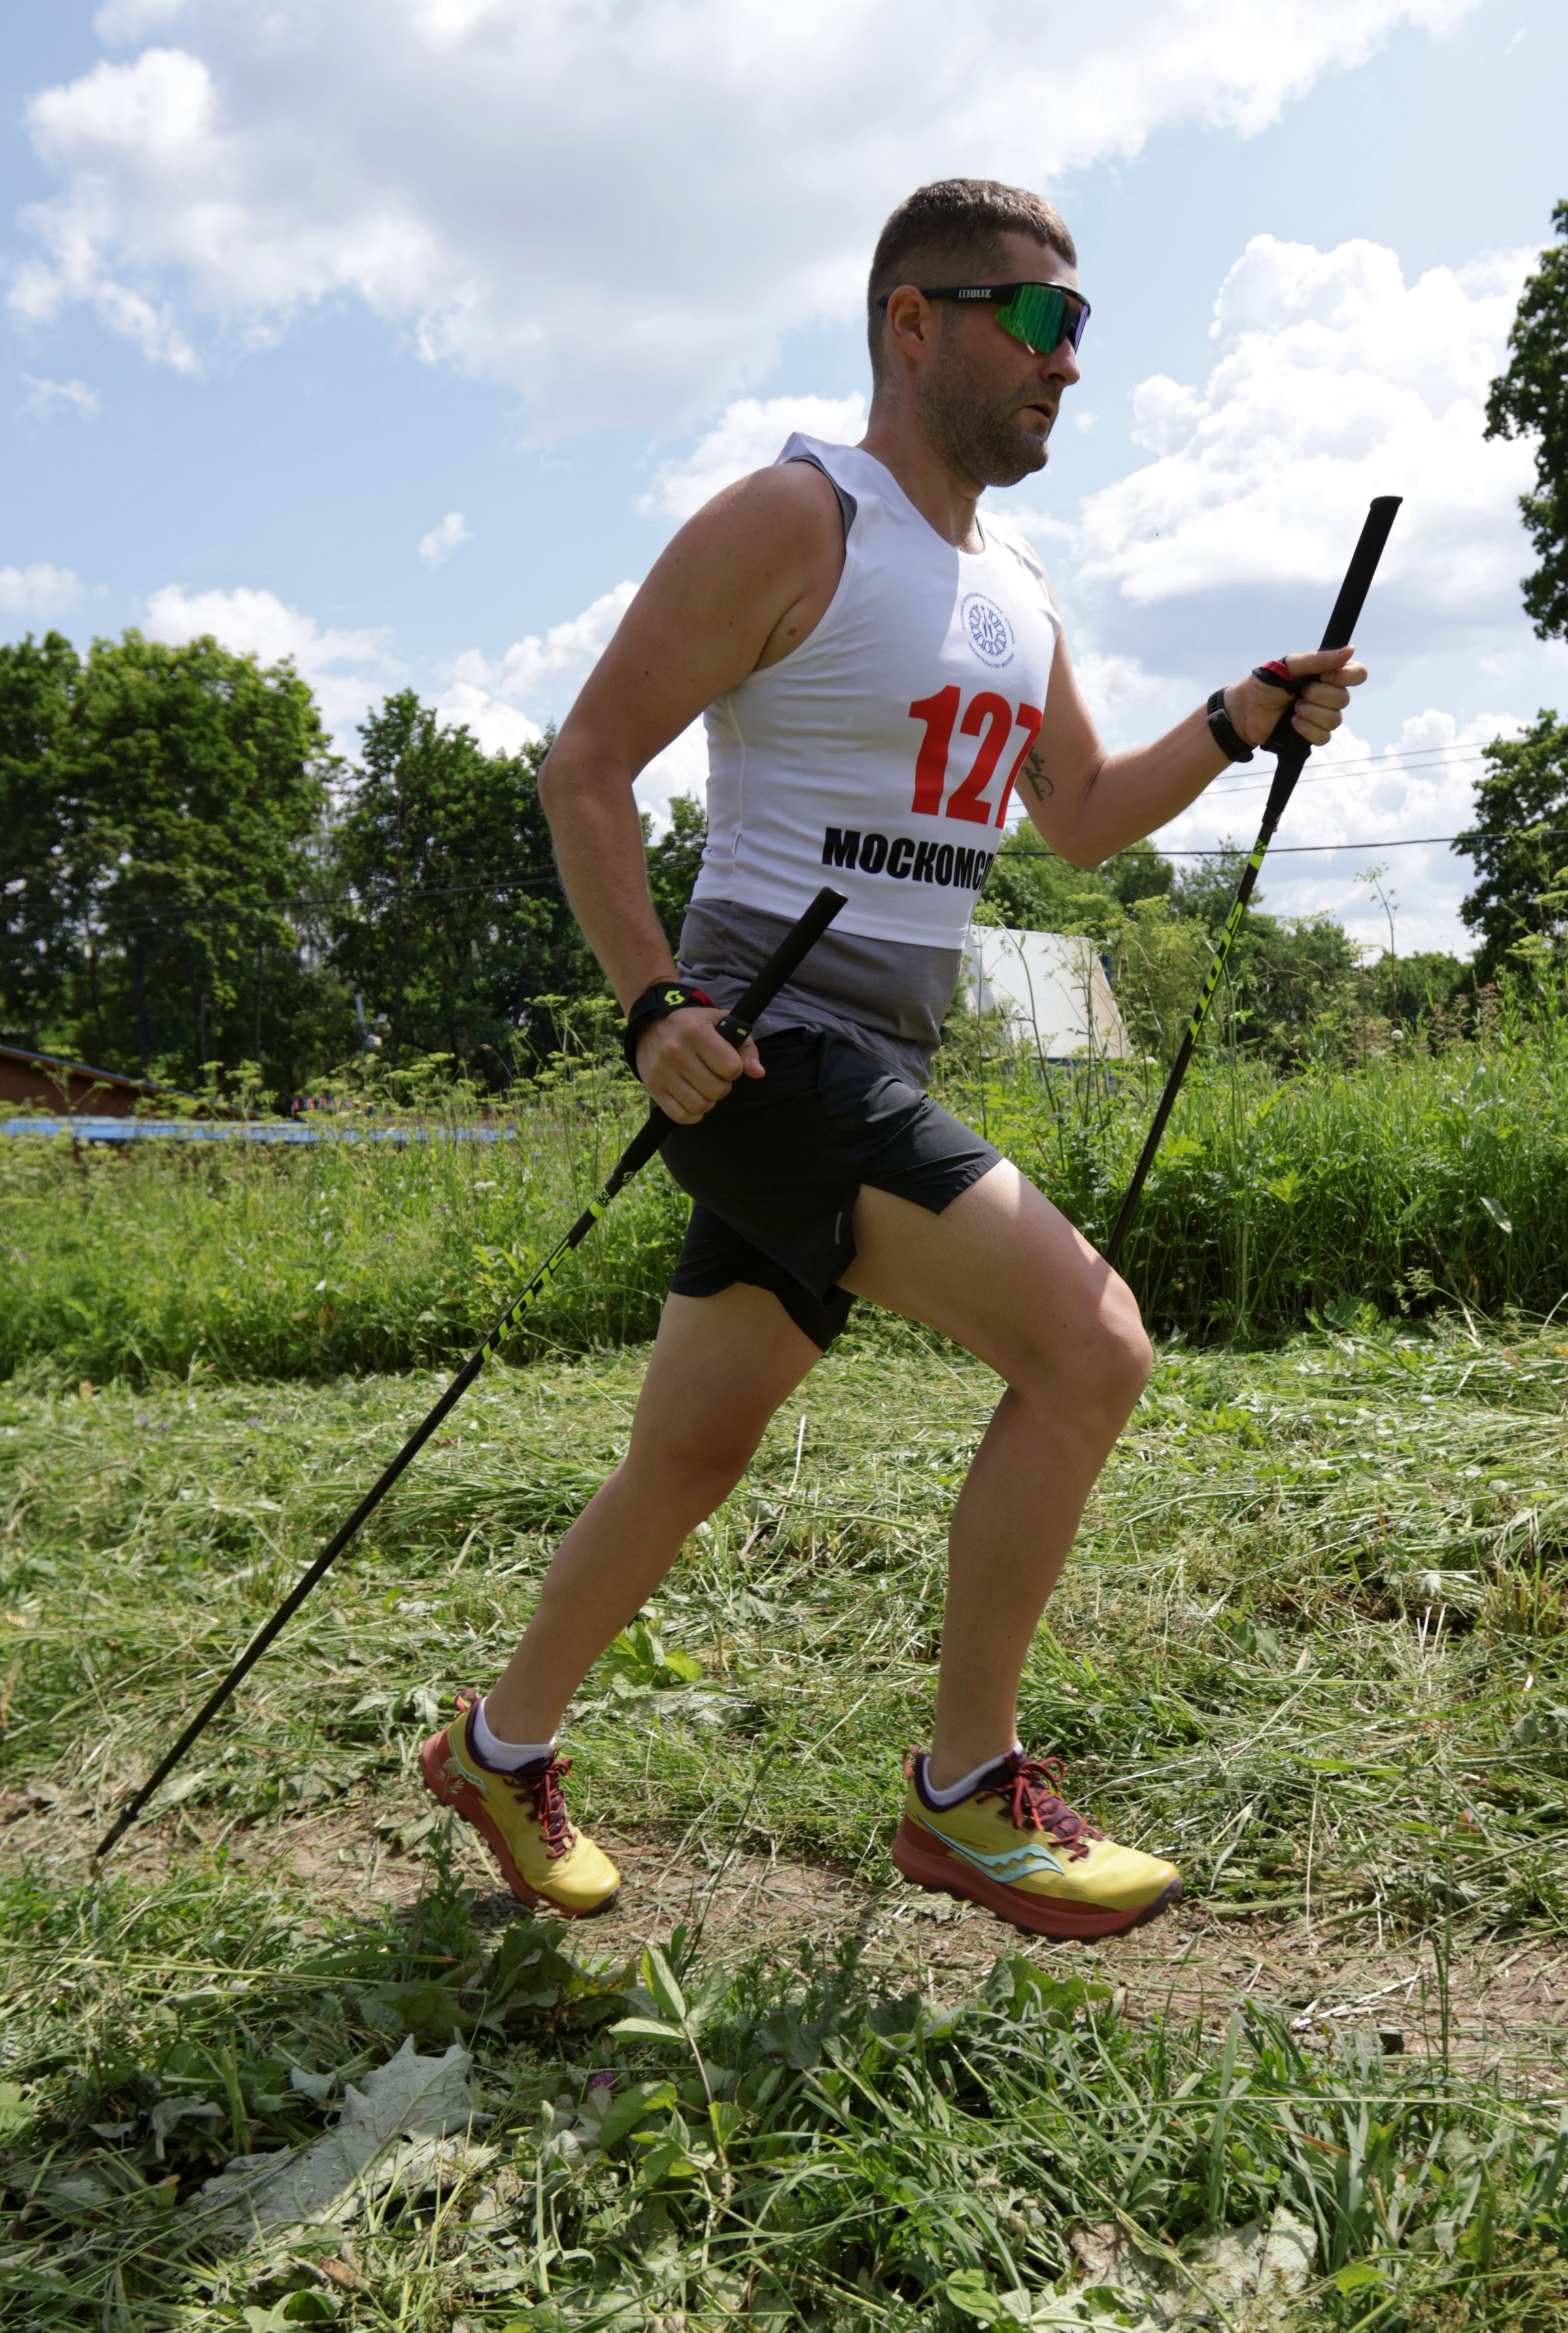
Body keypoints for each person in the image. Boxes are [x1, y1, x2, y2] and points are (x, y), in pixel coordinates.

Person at [421, 178, 1367, 1939]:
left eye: (1082, 327)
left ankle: (497, 1746)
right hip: (763, 1044)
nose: (1067, 363)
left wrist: (1238, 720)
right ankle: (965, 1789)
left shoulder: (1017, 588)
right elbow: (586, 767)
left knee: (691, 1452)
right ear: (913, 321)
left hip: (875, 1055)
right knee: (1091, 1347)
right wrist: (651, 1006)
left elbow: (1081, 818)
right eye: (1039, 320)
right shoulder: (798, 519)